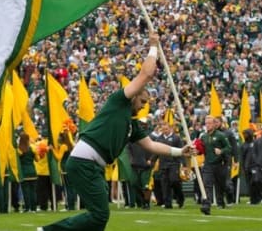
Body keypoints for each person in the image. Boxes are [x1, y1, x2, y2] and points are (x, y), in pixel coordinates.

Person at [37, 33, 194, 231]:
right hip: (84, 162)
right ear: (134, 95)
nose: (144, 107)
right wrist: (153, 47)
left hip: (94, 166)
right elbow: (145, 75)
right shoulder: (119, 101)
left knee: (98, 219)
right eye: (143, 102)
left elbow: (152, 145)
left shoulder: (132, 124)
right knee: (100, 215)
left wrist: (180, 152)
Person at [199, 115, 231, 211]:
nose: (207, 125)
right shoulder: (203, 136)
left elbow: (229, 148)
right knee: (207, 184)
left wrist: (221, 151)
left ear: (214, 124)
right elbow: (201, 149)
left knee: (221, 185)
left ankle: (222, 200)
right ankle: (206, 205)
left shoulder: (220, 135)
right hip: (208, 164)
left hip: (219, 164)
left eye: (209, 123)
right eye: (206, 123)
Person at [156, 121, 185, 208]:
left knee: (174, 181)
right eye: (163, 129)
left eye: (166, 129)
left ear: (170, 128)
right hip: (163, 163)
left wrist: (183, 164)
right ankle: (168, 203)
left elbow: (182, 150)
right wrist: (151, 160)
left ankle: (180, 198)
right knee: (165, 184)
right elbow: (156, 151)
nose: (165, 131)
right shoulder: (159, 139)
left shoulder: (176, 138)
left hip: (174, 163)